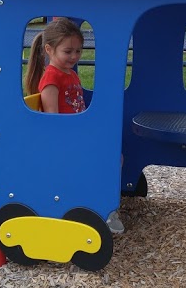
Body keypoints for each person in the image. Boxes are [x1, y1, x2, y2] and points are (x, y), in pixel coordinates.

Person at [24, 17, 125, 234]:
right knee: (107, 160)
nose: (74, 56)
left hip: (76, 135)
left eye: (78, 51)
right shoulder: (51, 78)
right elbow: (53, 117)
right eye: (68, 51)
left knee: (114, 156)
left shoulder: (69, 74)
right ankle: (102, 210)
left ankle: (103, 205)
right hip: (64, 139)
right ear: (49, 50)